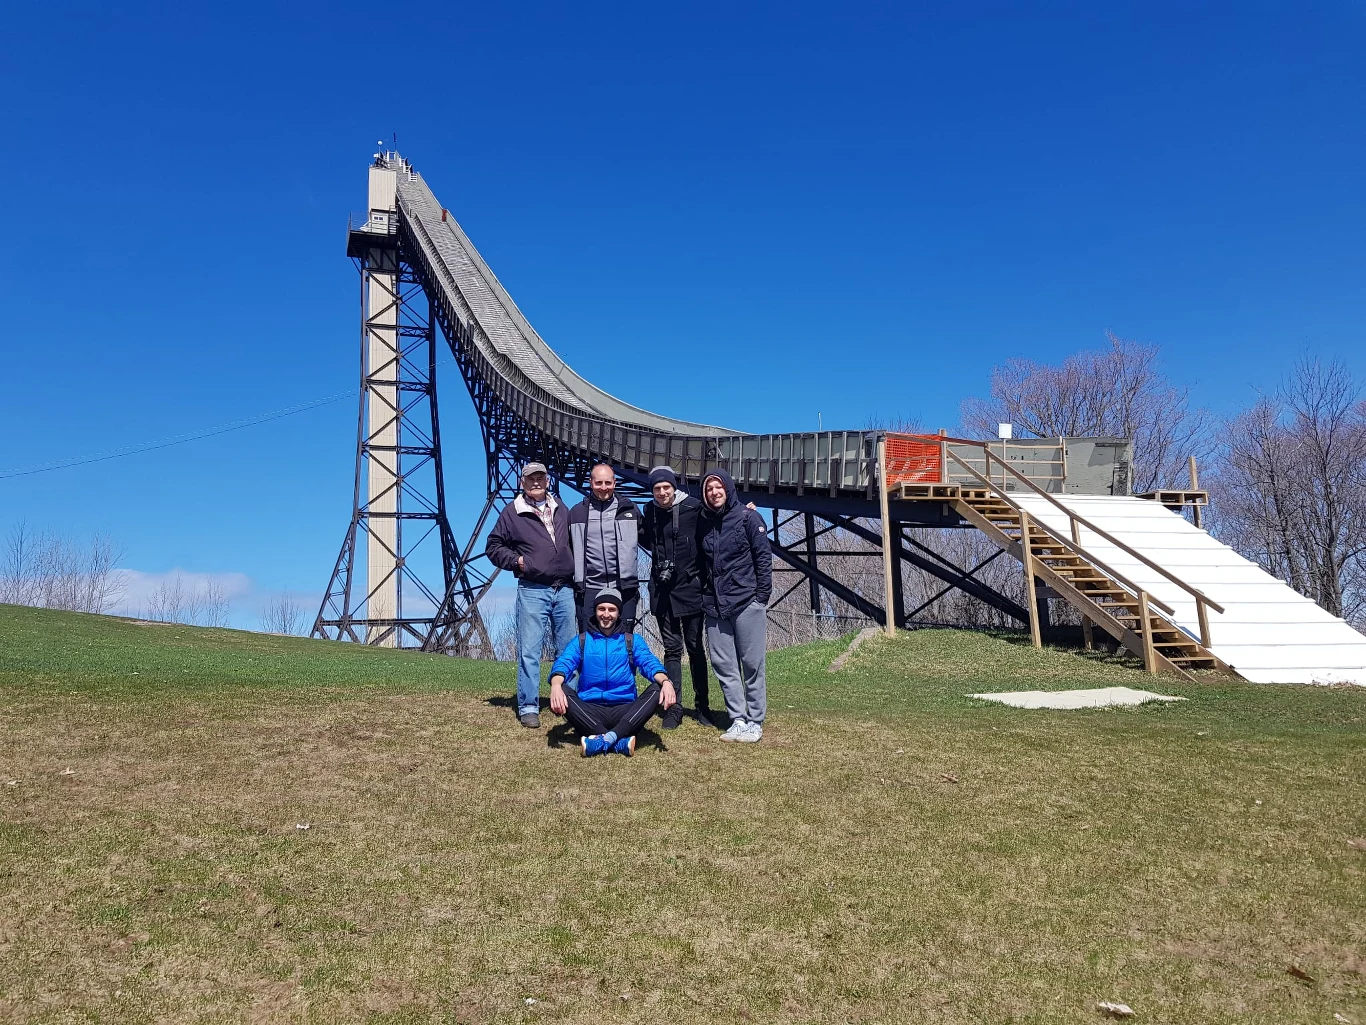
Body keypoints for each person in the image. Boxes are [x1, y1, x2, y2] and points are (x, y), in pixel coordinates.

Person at [485, 461, 576, 729]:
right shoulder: (513, 512)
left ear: (547, 480)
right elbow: (493, 546)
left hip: (565, 589)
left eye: (540, 478)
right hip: (533, 590)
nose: (536, 482)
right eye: (530, 478)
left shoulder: (561, 508)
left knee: (568, 650)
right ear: (522, 482)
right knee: (529, 651)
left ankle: (570, 702)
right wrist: (518, 562)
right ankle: (528, 706)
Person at [548, 588, 677, 756]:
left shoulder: (631, 640)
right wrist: (556, 684)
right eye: (602, 609)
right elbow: (563, 663)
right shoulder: (582, 640)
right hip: (590, 710)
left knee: (658, 687)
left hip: (624, 709)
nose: (606, 614)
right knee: (562, 688)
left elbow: (649, 663)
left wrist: (666, 682)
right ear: (595, 611)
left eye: (612, 609)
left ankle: (604, 740)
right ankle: (617, 741)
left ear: (618, 613)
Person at [697, 468, 772, 743]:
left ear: (728, 488)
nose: (713, 492)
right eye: (708, 489)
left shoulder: (749, 518)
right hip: (715, 606)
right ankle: (737, 719)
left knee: (752, 663)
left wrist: (760, 599)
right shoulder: (702, 521)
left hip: (746, 602)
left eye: (718, 487)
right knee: (724, 664)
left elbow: (763, 558)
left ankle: (755, 721)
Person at [639, 465, 710, 728]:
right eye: (657, 489)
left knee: (695, 649)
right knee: (671, 649)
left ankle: (703, 706)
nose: (661, 493)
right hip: (662, 589)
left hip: (690, 587)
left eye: (666, 487)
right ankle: (674, 707)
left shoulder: (693, 506)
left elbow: (717, 519)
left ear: (673, 487)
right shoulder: (649, 511)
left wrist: (746, 512)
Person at [568, 464, 641, 630]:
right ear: (590, 482)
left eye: (607, 483)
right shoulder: (577, 513)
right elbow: (567, 549)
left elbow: (651, 541)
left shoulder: (629, 509)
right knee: (588, 641)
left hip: (624, 586)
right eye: (598, 483)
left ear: (614, 483)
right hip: (588, 588)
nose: (603, 488)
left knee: (624, 641)